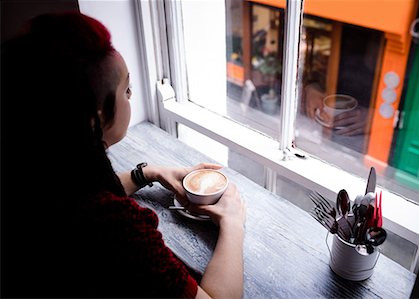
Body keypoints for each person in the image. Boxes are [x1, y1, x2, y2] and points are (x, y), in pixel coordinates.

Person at [1, 11, 246, 298]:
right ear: (96, 117)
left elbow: (79, 191)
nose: (131, 98)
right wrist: (233, 224)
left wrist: (146, 173)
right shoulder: (115, 230)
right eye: (126, 89)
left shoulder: (32, 164)